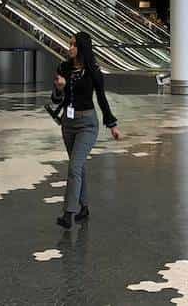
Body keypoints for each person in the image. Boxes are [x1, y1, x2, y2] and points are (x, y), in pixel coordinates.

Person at [51, 31, 121, 229]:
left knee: (74, 167)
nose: (69, 47)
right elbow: (56, 99)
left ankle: (68, 213)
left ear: (82, 47)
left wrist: (112, 124)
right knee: (78, 166)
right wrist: (60, 88)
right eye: (69, 44)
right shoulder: (63, 68)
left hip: (87, 124)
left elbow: (101, 99)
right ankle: (84, 207)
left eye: (73, 44)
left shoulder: (93, 71)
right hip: (68, 124)